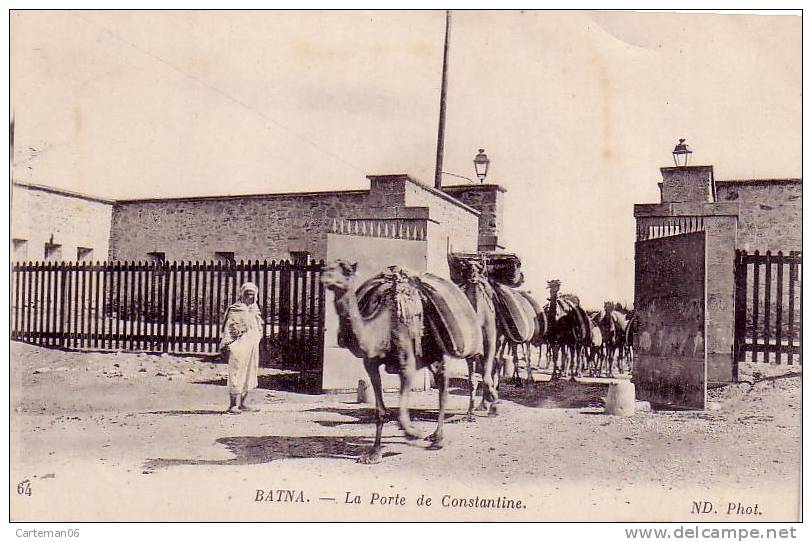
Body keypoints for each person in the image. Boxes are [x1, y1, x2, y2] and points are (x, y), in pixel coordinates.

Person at [220, 282, 264, 414]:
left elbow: (258, 326)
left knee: (250, 372)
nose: (249, 297)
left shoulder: (255, 310)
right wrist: (228, 344)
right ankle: (232, 405)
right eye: (247, 294)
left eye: (252, 295)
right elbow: (228, 327)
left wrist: (257, 337)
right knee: (236, 372)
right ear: (242, 295)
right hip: (238, 345)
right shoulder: (235, 309)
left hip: (252, 345)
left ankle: (243, 403)